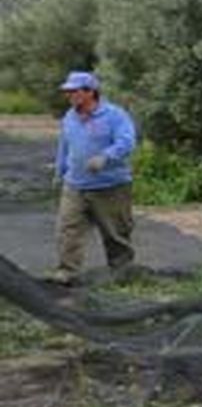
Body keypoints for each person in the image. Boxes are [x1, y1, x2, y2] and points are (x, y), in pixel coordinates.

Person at [50, 71, 138, 284]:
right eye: (67, 92)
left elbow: (127, 141)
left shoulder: (115, 115)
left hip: (111, 186)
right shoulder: (70, 116)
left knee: (115, 233)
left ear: (90, 92)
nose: (69, 95)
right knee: (67, 229)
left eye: (74, 91)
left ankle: (121, 273)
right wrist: (59, 171)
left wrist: (105, 157)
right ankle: (67, 272)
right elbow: (65, 145)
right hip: (75, 185)